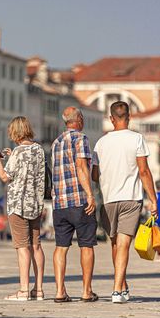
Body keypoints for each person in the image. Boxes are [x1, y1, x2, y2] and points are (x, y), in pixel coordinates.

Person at [92, 101, 158, 303]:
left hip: (109, 198)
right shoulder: (137, 139)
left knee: (116, 244)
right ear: (129, 117)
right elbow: (144, 171)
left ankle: (120, 286)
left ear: (111, 119)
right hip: (131, 197)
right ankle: (117, 289)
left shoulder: (101, 143)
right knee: (122, 245)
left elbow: (94, 175)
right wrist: (153, 199)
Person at [0, 116, 46, 301]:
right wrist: (12, 155)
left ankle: (23, 290)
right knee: (36, 245)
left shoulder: (18, 152)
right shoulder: (39, 150)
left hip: (18, 205)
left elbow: (5, 177)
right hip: (36, 204)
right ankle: (38, 289)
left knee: (22, 247)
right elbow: (31, 168)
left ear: (15, 132)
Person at [51, 106, 98, 303]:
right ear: (78, 119)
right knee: (86, 245)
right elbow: (81, 166)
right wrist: (90, 194)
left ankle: (60, 291)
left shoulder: (56, 142)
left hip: (59, 203)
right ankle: (86, 291)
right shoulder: (81, 138)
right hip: (79, 200)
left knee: (61, 246)